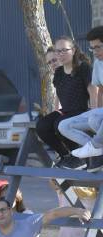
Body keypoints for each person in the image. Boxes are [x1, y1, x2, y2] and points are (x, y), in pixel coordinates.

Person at [38, 36, 92, 170]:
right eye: (50, 62)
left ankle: (78, 157)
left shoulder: (82, 68)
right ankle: (66, 156)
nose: (53, 63)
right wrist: (56, 112)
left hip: (81, 110)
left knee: (59, 123)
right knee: (42, 125)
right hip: (67, 110)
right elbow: (59, 97)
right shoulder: (58, 74)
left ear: (72, 51)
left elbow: (94, 92)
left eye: (55, 60)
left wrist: (95, 114)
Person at [63, 27, 103, 170]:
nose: (95, 52)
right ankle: (97, 155)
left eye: (98, 47)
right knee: (64, 125)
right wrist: (97, 111)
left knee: (94, 119)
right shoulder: (99, 63)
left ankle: (95, 147)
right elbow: (100, 91)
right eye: (92, 49)